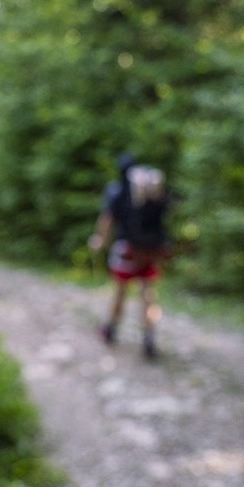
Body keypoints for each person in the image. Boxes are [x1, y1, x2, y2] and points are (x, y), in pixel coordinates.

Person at [89, 153, 170, 359]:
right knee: (146, 292)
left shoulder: (117, 191)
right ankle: (149, 337)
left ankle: (110, 329)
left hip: (127, 249)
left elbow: (107, 218)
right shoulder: (152, 191)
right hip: (151, 250)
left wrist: (99, 239)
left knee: (120, 291)